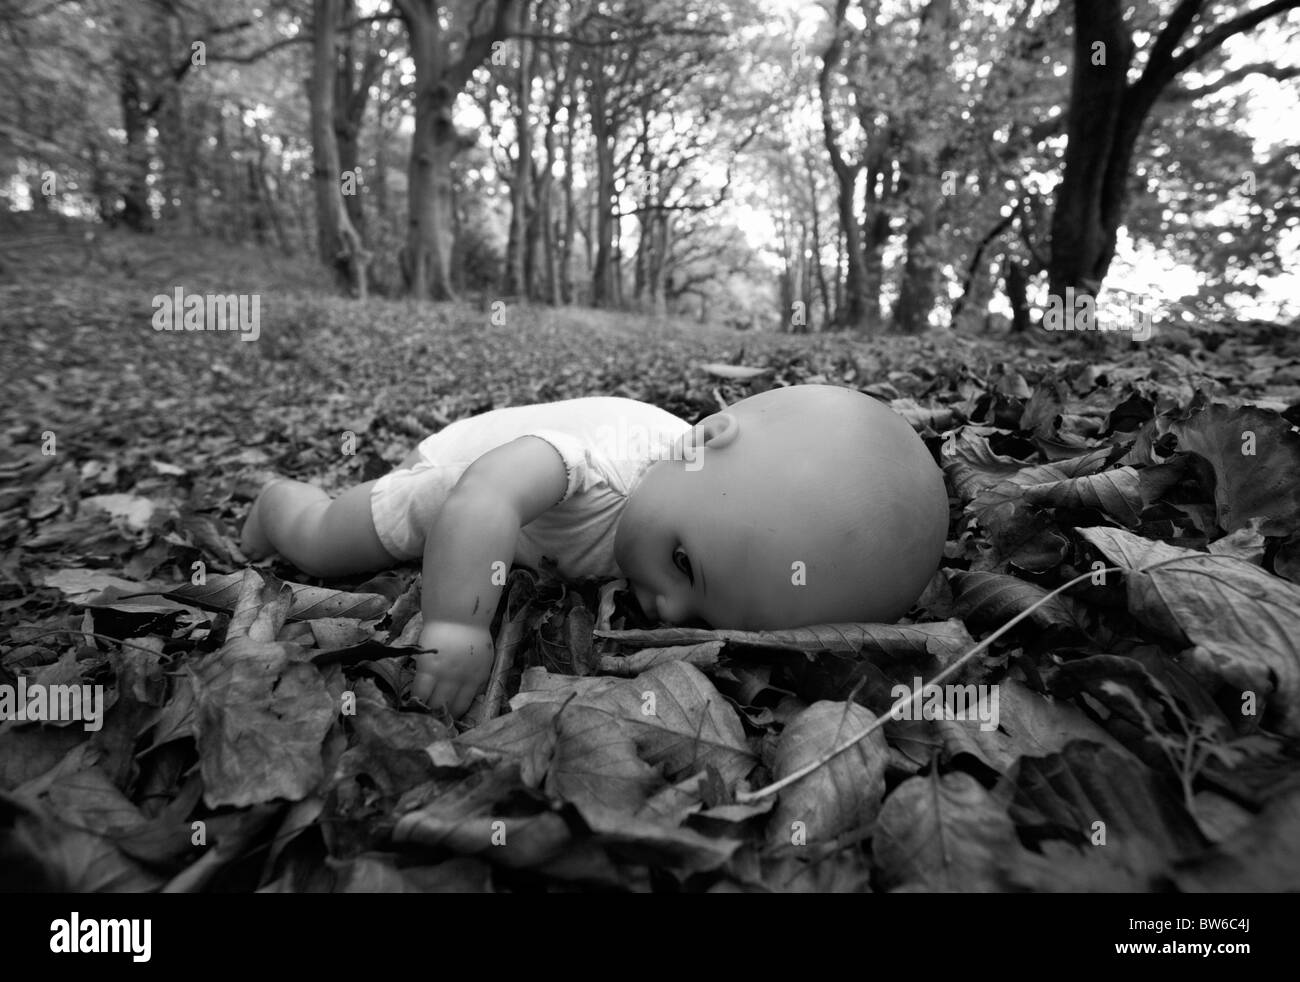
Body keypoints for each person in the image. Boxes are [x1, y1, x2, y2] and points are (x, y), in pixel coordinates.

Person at [240, 384, 949, 716]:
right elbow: (484, 498)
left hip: (528, 539)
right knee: (325, 543)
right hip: (446, 482)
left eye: (703, 616)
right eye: (682, 565)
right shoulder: (602, 464)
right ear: (700, 443)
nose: (666, 605)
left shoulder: (700, 500)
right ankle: (279, 503)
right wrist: (458, 622)